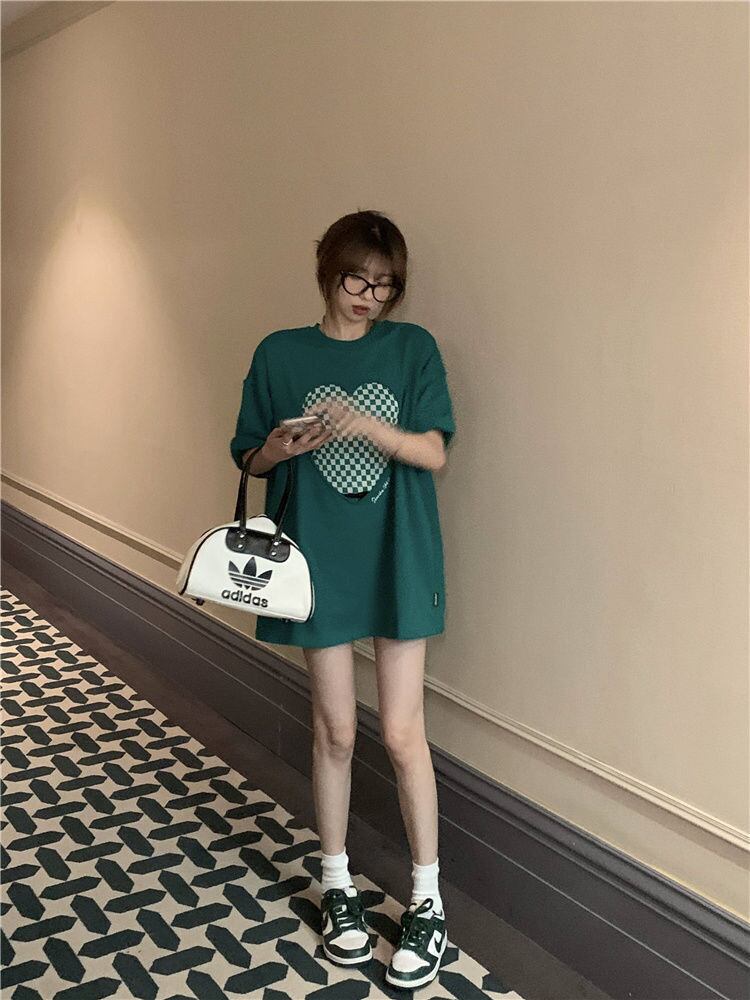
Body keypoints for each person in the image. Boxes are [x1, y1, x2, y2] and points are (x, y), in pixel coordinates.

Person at [229, 209, 456, 990]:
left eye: (384, 285)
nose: (368, 295)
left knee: (402, 732)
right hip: (314, 561)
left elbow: (433, 451)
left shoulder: (412, 349)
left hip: (398, 556)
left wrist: (365, 425)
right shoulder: (280, 353)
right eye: (357, 278)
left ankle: (427, 899)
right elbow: (250, 457)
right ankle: (336, 885)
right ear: (328, 269)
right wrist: (279, 447)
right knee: (335, 730)